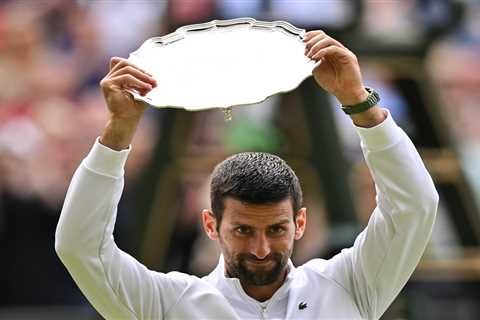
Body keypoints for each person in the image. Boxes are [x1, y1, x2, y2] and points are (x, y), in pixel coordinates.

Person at [55, 31, 439, 319]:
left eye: (276, 229)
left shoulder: (349, 285)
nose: (260, 249)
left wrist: (360, 103)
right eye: (243, 230)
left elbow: (414, 207)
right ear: (211, 224)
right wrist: (118, 131)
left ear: (300, 223)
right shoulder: (167, 303)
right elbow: (79, 247)